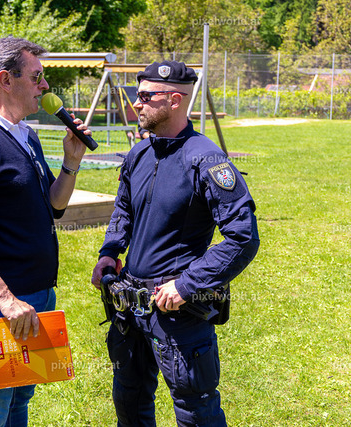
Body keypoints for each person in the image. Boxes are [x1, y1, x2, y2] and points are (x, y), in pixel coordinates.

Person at [91, 61, 260, 426]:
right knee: (129, 404)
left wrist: (186, 285)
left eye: (145, 96)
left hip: (178, 311)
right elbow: (124, 210)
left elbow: (243, 236)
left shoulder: (206, 159)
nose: (137, 103)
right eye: (137, 95)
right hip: (129, 306)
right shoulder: (138, 154)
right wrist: (109, 252)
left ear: (174, 100)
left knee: (196, 412)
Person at [0, 36, 90, 427]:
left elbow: (54, 206)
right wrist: (6, 300)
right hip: (5, 301)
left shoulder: (26, 134)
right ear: (6, 80)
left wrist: (72, 161)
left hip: (37, 292)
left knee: (19, 395)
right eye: (36, 76)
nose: (45, 86)